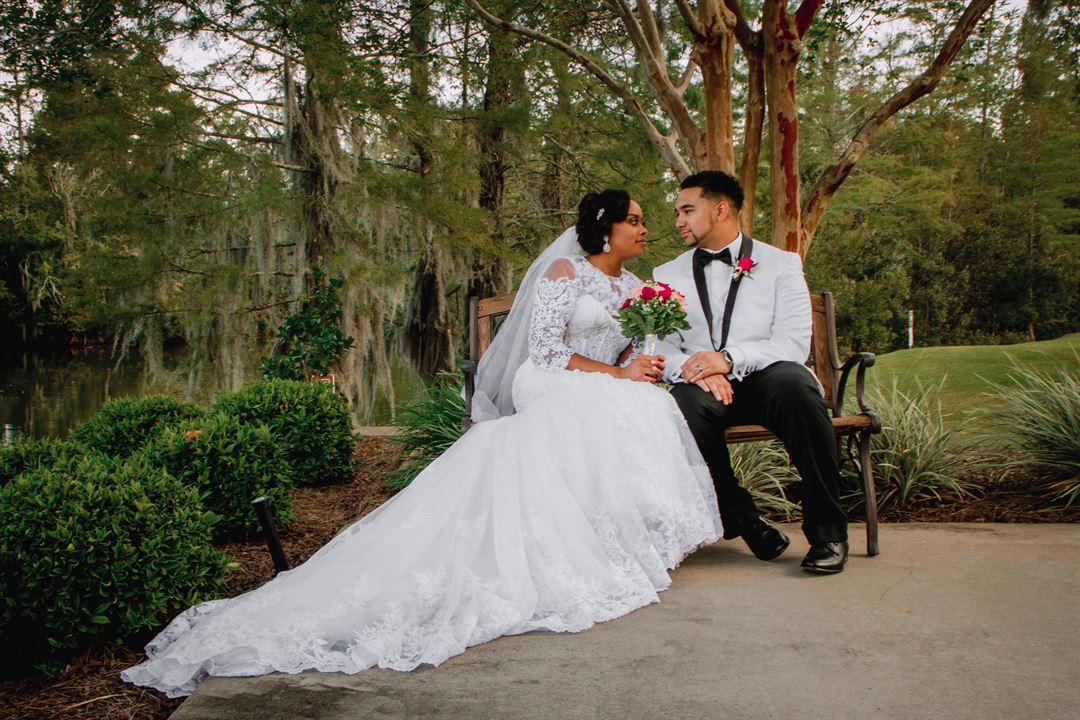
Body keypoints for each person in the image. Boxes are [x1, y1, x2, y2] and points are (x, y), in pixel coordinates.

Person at [122, 190, 723, 698]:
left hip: (601, 378)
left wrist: (639, 365)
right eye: (635, 220)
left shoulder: (637, 286)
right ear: (605, 227)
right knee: (607, 405)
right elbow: (543, 352)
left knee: (645, 404)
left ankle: (618, 535)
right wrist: (616, 374)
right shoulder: (565, 273)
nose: (645, 229)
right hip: (551, 379)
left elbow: (629, 349)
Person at [652, 171, 849, 574]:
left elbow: (793, 343)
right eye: (678, 213)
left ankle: (828, 533)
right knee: (681, 406)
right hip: (702, 385)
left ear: (721, 209)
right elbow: (661, 348)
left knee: (798, 388)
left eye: (687, 211)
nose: (678, 221)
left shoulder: (781, 264)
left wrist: (728, 359)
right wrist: (696, 369)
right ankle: (745, 521)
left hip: (765, 377)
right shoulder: (665, 275)